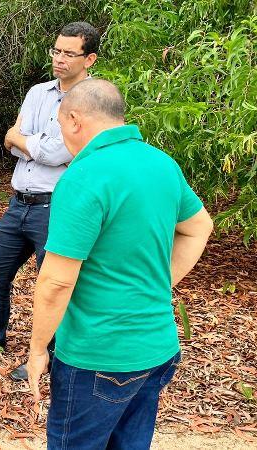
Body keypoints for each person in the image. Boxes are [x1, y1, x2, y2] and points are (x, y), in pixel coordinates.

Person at [25, 78, 213, 449]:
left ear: (75, 120)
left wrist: (37, 349)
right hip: (157, 346)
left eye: (61, 125)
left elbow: (57, 281)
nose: (62, 135)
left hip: (98, 354)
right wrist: (159, 285)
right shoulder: (161, 163)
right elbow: (199, 227)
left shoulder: (84, 175)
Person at [0, 22, 99, 382]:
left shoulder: (92, 101)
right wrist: (30, 142)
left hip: (57, 206)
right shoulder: (37, 92)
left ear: (89, 59)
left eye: (69, 53)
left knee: (50, 283)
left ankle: (50, 357)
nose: (60, 59)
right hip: (18, 201)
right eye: (56, 51)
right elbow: (9, 138)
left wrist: (27, 142)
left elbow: (61, 151)